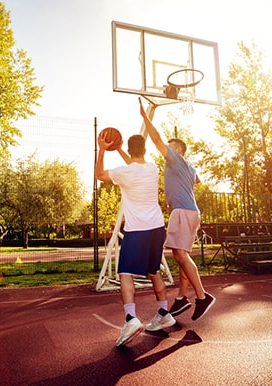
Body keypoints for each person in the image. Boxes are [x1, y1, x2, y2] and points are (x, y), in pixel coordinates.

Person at [96, 130, 176, 347]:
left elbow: (99, 174)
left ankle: (131, 319)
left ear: (130, 151)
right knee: (154, 271)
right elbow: (134, 163)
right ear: (145, 150)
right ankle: (164, 312)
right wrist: (120, 148)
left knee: (124, 272)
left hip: (137, 229)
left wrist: (103, 149)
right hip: (157, 227)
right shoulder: (151, 168)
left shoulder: (125, 172)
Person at [139, 97, 215, 321]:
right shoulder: (188, 167)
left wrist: (145, 117)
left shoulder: (175, 158)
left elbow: (156, 138)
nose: (166, 150)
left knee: (180, 254)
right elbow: (198, 180)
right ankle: (182, 297)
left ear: (178, 149)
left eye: (171, 147)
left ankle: (202, 297)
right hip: (190, 211)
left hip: (182, 211)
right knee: (182, 255)